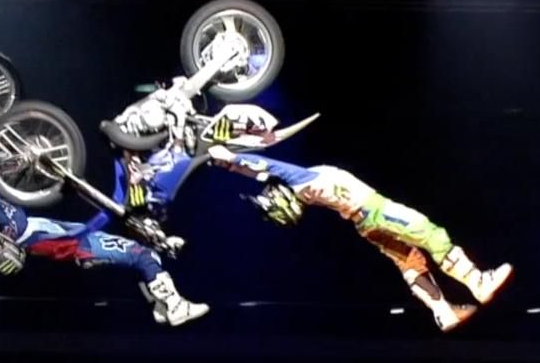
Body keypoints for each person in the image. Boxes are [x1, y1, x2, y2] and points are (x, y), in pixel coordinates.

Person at [110, 88, 512, 331]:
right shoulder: (301, 182)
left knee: (410, 262)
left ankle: (442, 311)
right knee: (430, 233)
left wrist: (224, 163)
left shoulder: (302, 193)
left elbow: (260, 174)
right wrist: (223, 156)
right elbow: (262, 166)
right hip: (375, 211)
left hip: (366, 226)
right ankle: (476, 281)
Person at [0, 171, 209, 327]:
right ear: (8, 251)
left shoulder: (22, 236)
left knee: (141, 254)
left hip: (84, 245)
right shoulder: (18, 228)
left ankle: (159, 306)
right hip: (86, 244)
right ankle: (174, 305)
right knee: (142, 256)